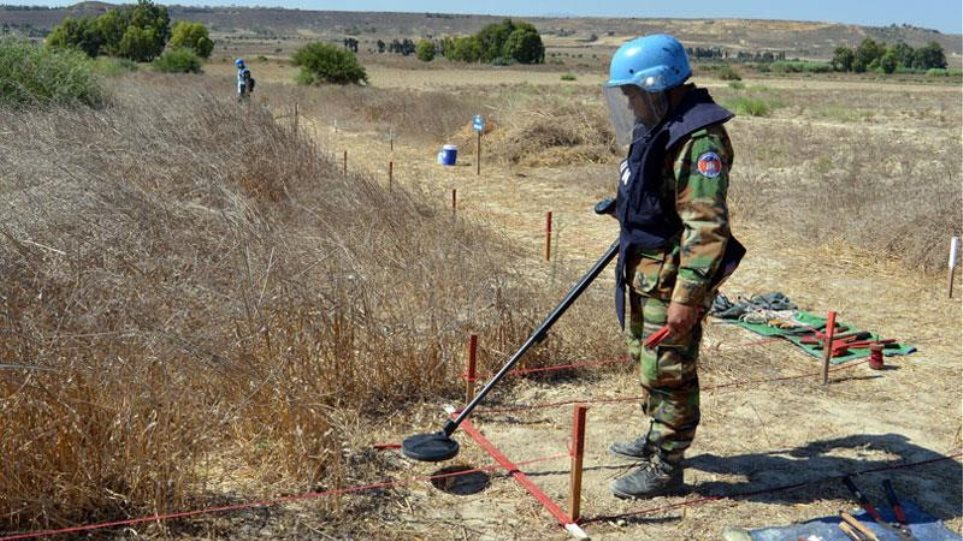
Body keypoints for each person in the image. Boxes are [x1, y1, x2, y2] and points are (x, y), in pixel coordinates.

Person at [602, 34, 741, 499]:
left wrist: (687, 299)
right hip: (645, 271)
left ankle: (668, 465)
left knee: (670, 369)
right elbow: (658, 191)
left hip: (672, 280)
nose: (628, 103)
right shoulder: (663, 125)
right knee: (647, 362)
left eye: (632, 93)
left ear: (657, 85)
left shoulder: (699, 140)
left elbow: (706, 229)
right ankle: (656, 433)